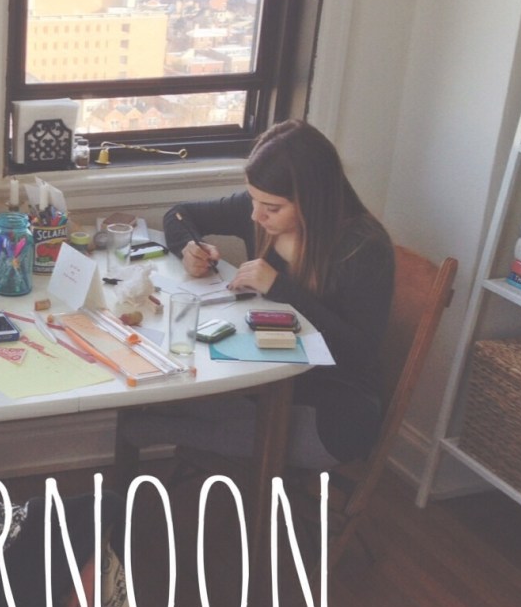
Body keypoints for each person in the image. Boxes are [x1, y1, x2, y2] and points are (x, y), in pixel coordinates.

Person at [120, 119, 395, 469]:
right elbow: (180, 214)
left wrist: (280, 287)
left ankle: (164, 430)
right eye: (253, 199)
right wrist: (189, 247)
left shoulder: (364, 248)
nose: (256, 214)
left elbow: (358, 354)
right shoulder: (262, 213)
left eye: (272, 207)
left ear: (312, 200)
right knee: (181, 381)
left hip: (335, 407)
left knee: (232, 420)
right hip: (266, 377)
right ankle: (179, 425)